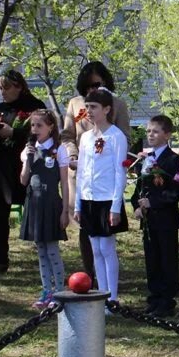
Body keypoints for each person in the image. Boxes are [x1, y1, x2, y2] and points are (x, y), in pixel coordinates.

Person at [61, 61, 131, 283]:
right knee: (86, 231)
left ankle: (109, 288)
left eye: (97, 84)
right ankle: (90, 275)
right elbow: (67, 135)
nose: (92, 90)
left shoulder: (117, 105)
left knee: (105, 240)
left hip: (106, 180)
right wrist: (74, 156)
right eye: (88, 86)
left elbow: (124, 139)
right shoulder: (75, 104)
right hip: (83, 177)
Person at [0, 70, 46, 273]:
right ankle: (0, 260)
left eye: (6, 88)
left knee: (35, 210)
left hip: (25, 164)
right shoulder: (0, 108)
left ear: (19, 87)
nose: (2, 92)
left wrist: (14, 132)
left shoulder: (35, 106)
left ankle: (44, 254)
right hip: (0, 165)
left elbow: (40, 134)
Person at [74, 87, 128, 303]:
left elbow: (119, 171)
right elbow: (82, 172)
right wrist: (78, 204)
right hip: (88, 198)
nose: (89, 111)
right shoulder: (86, 137)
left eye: (94, 107)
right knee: (95, 249)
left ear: (106, 109)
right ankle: (101, 294)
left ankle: (112, 297)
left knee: (107, 248)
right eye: (87, 107)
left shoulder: (116, 136)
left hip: (107, 199)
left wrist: (116, 206)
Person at [130, 115, 179, 317]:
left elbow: (177, 191)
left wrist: (154, 202)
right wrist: (137, 205)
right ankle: (154, 297)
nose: (150, 135)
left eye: (155, 131)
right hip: (149, 220)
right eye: (148, 131)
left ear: (167, 134)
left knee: (167, 259)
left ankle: (167, 300)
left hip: (166, 219)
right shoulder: (146, 159)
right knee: (151, 258)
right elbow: (139, 187)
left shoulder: (173, 160)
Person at [19, 109, 70, 309]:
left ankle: (59, 291)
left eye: (39, 125)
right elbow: (23, 181)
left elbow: (65, 184)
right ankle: (46, 290)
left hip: (51, 204)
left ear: (50, 127)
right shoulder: (28, 150)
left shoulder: (59, 150)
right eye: (33, 125)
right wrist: (27, 161)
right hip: (34, 203)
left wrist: (65, 210)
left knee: (52, 249)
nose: (35, 129)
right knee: (40, 249)